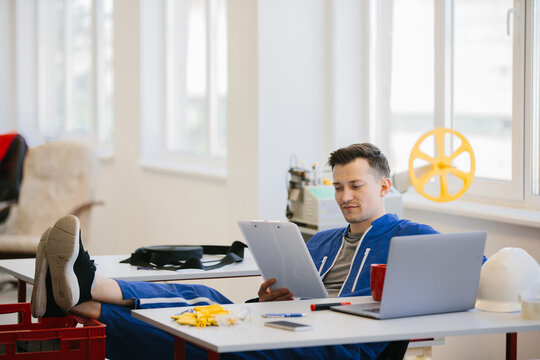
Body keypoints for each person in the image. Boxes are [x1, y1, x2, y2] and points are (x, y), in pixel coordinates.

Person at [31, 143, 438, 359]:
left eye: (356, 186)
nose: (345, 196)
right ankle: (89, 288)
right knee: (207, 299)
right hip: (290, 323)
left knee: (202, 336)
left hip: (337, 347)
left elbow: (476, 268)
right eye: (337, 187)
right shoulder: (325, 239)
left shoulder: (410, 235)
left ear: (385, 187)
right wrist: (267, 296)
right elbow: (299, 291)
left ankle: (79, 302)